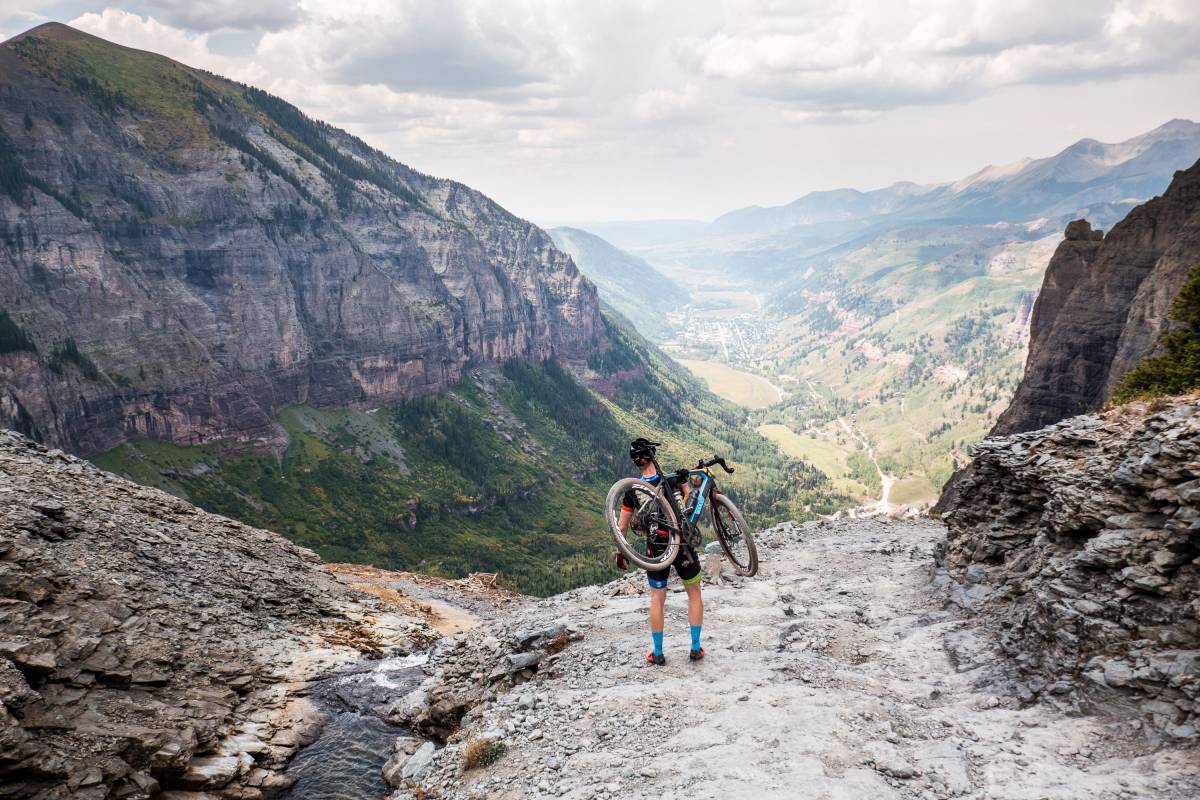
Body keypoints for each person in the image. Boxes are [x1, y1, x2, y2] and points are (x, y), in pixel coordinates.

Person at [615, 438, 705, 666]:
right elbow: (689, 507)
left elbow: (622, 526)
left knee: (657, 598)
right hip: (683, 545)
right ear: (653, 454)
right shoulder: (672, 479)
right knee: (694, 593)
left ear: (636, 462)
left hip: (656, 549)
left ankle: (657, 652)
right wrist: (685, 484)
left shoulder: (631, 489)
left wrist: (621, 551)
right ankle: (695, 648)